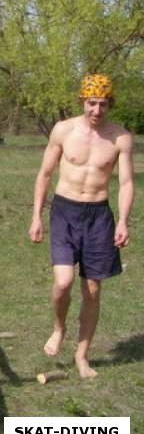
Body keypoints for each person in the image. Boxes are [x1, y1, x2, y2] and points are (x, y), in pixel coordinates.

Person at [28, 73, 134, 379]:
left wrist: (124, 221)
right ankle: (58, 328)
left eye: (103, 104)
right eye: (91, 104)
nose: (96, 111)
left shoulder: (121, 138)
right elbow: (45, 174)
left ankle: (81, 355)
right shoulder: (63, 130)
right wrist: (36, 216)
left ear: (110, 104)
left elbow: (126, 183)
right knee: (63, 282)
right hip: (64, 211)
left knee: (92, 289)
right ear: (82, 102)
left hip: (99, 217)